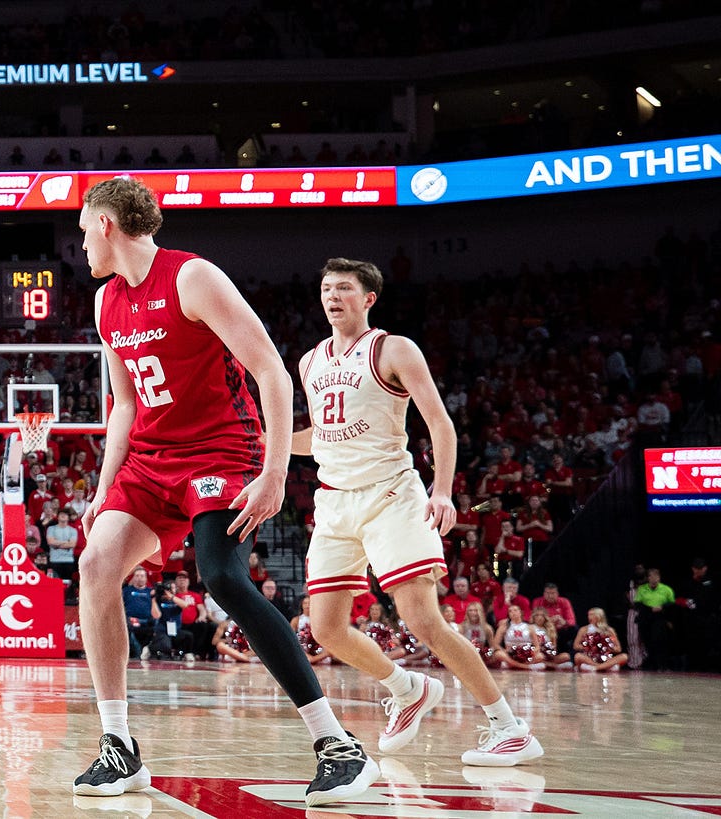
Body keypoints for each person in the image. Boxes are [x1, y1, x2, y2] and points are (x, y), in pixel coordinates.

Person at [70, 178, 375, 807]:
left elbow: (269, 367)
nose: (80, 245)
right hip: (150, 462)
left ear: (105, 224)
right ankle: (117, 746)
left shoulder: (192, 277)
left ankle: (336, 744)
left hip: (220, 451)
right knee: (96, 563)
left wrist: (273, 471)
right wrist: (104, 489)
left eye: (81, 230)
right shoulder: (105, 303)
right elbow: (123, 403)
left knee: (224, 577)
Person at [298, 258, 542, 767]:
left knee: (423, 620)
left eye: (344, 288)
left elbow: (440, 424)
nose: (332, 296)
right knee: (324, 628)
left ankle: (509, 727)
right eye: (326, 288)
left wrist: (443, 490)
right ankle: (406, 687)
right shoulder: (310, 361)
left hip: (391, 495)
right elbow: (318, 436)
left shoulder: (393, 348)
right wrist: (265, 444)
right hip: (334, 501)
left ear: (369, 298)